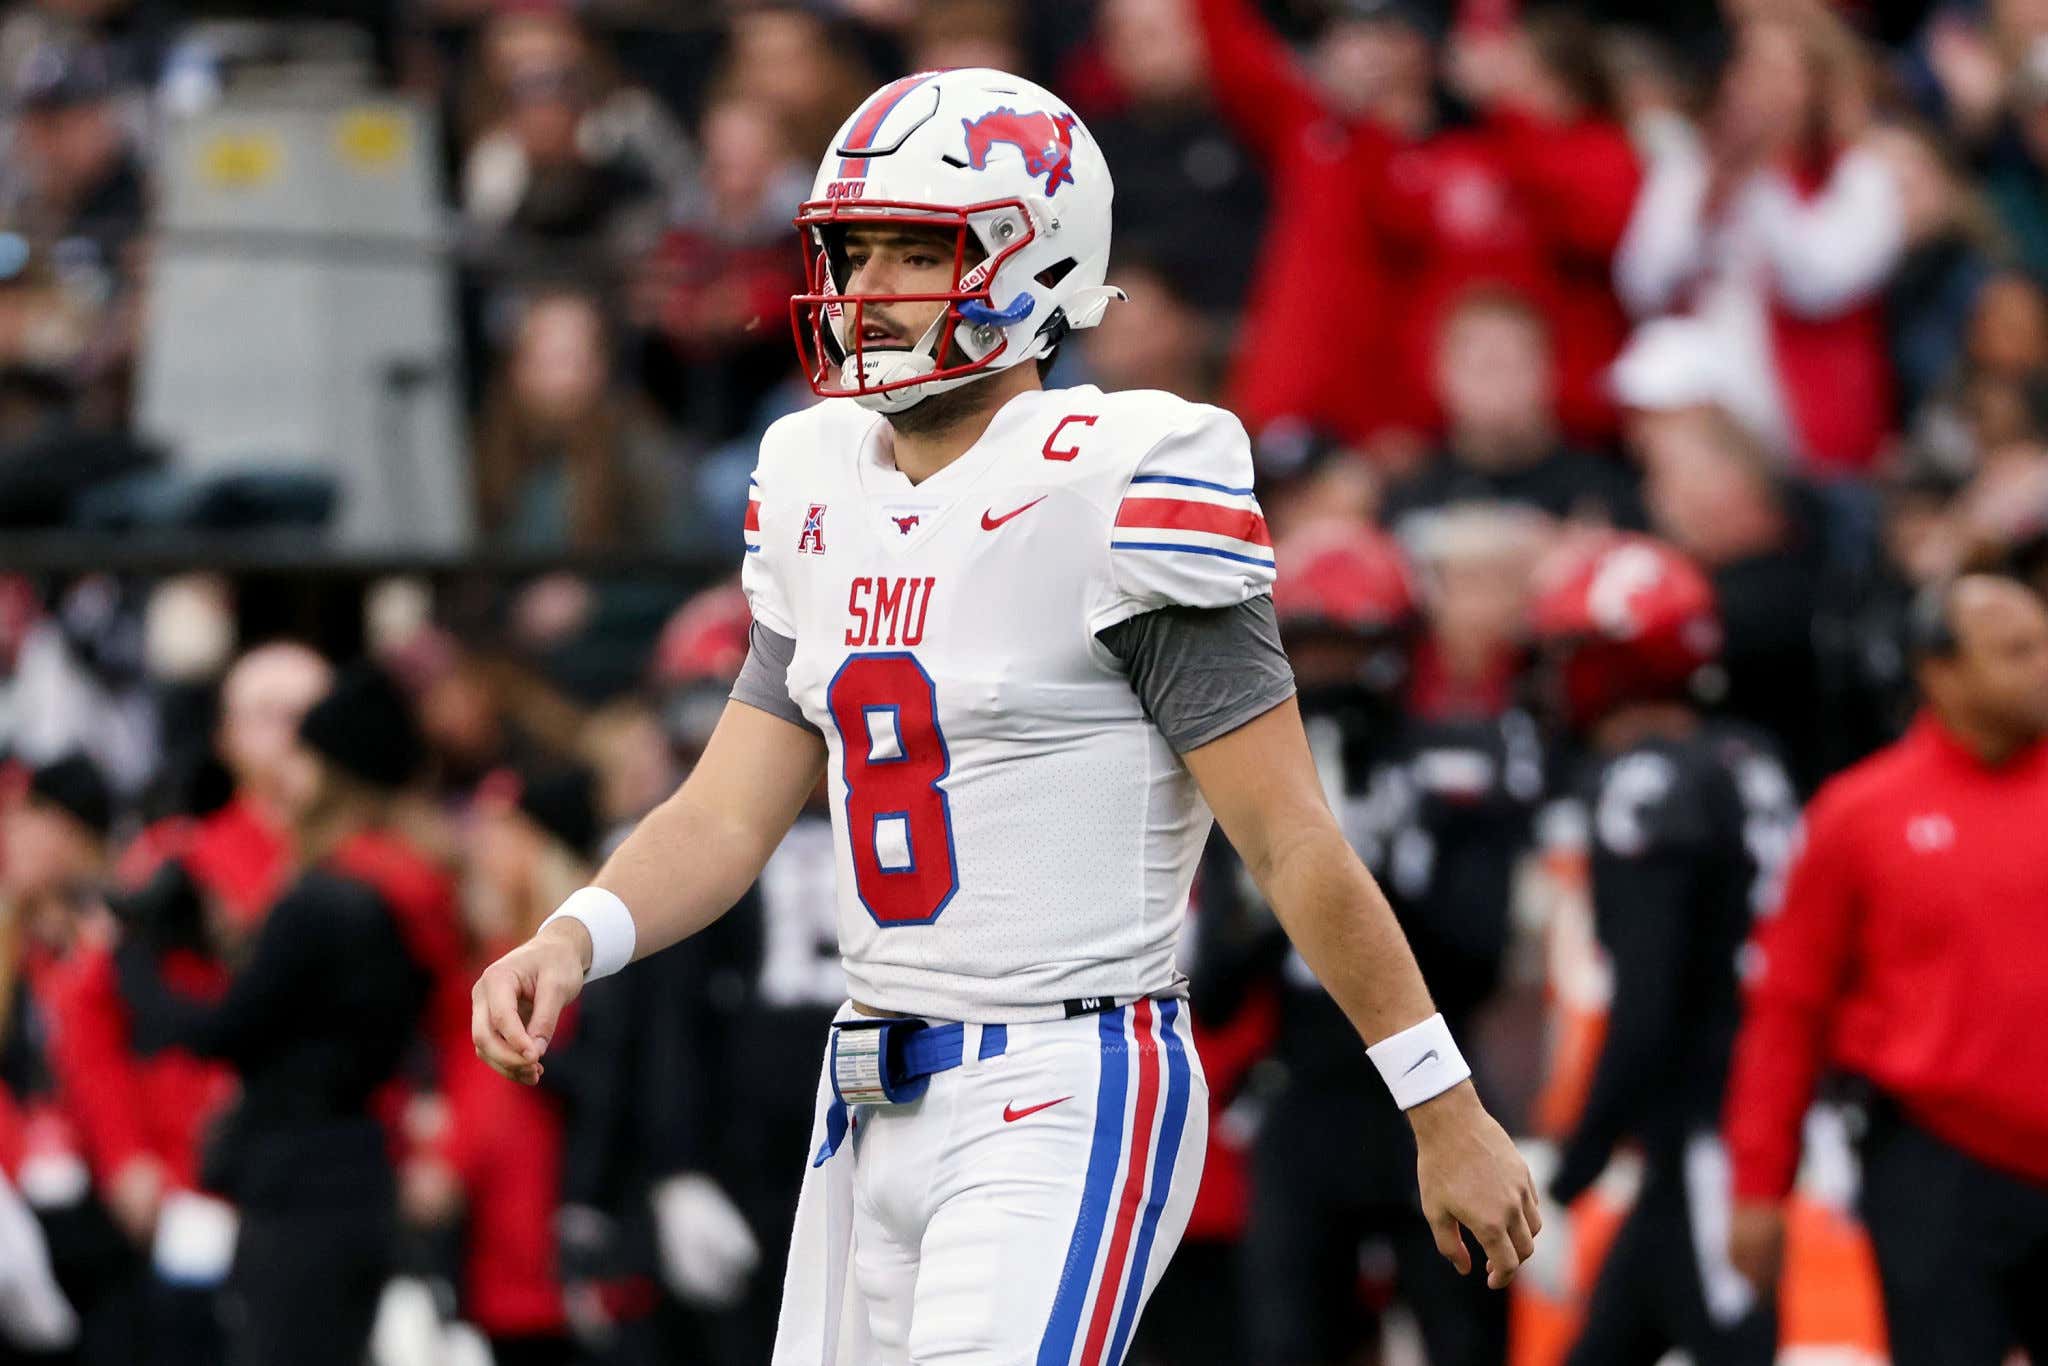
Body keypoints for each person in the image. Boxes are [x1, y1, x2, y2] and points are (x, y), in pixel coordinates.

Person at [473, 67, 1538, 1365]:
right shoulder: (816, 475)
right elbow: (725, 806)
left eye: (905, 254)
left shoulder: (1122, 473)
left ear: (1029, 261)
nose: (860, 291)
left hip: (1063, 1079)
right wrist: (577, 934)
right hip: (863, 1093)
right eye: (848, 251)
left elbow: (1291, 836)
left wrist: (1443, 1102)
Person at [1196, 522, 1543, 1366]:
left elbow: (1478, 956)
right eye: (1309, 646)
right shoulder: (1257, 787)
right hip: (1304, 1097)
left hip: (1436, 1099)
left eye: (1347, 647)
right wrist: (1283, 877)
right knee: (1285, 1343)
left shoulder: (1461, 762)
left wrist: (1370, 864)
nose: (1326, 672)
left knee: (1466, 1336)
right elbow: (1215, 986)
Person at [1723, 574, 2048, 1366]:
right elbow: (1790, 1004)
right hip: (1940, 1161)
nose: (2044, 668)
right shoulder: (1860, 815)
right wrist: (1760, 1184)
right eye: (2017, 652)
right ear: (1938, 672)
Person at [116, 666, 444, 1366]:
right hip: (361, 1172)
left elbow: (225, 1031)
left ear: (332, 773)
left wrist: (132, 963)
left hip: (299, 1186)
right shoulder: (410, 884)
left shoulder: (323, 900)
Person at [1530, 534, 1799, 1366]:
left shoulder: (1646, 781)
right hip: (1742, 1110)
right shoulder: (1750, 755)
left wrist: (1572, 1171)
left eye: (1576, 652)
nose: (1559, 674)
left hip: (1713, 1125)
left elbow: (1647, 1002)